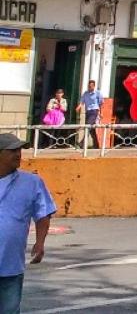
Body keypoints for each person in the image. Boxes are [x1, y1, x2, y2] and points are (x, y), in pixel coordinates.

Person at [0, 133, 56, 313]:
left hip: (10, 264)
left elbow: (43, 213)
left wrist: (40, 243)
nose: (19, 155)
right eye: (13, 151)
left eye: (20, 150)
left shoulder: (32, 182)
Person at [76, 80, 104, 149]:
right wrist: (78, 107)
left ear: (94, 86)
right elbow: (82, 102)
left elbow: (101, 103)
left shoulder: (98, 93)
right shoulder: (85, 93)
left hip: (94, 111)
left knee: (87, 126)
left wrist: (101, 113)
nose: (90, 87)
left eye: (91, 86)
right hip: (88, 112)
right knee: (91, 130)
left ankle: (82, 143)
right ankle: (96, 146)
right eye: (89, 86)